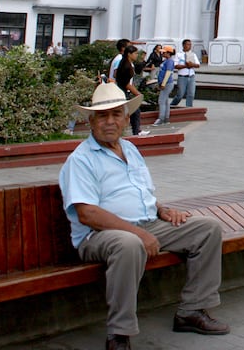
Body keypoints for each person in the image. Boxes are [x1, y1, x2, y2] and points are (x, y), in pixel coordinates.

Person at [59, 83, 228, 349]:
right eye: (103, 116)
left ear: (126, 119)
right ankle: (119, 333)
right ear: (91, 121)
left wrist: (162, 209)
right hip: (99, 235)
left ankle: (192, 311)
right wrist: (139, 233)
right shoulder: (81, 159)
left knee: (207, 229)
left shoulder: (130, 149)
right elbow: (87, 213)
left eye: (116, 114)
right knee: (130, 244)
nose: (110, 121)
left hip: (146, 224)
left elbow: (139, 192)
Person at [114, 45, 147, 137]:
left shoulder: (128, 64)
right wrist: (137, 93)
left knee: (134, 111)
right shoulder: (126, 66)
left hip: (124, 90)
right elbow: (127, 83)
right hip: (123, 92)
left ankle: (136, 130)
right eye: (135, 53)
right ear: (129, 54)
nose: (137, 55)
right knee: (132, 110)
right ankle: (135, 131)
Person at [172, 39, 200, 108]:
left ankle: (189, 107)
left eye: (190, 45)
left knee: (191, 94)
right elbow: (176, 66)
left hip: (191, 76)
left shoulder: (193, 54)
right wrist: (185, 66)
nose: (189, 46)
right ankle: (172, 105)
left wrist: (192, 64)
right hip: (182, 76)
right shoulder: (179, 54)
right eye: (188, 44)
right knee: (180, 94)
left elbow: (198, 65)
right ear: (183, 45)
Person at [152, 46, 176, 126]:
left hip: (167, 83)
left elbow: (168, 72)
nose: (162, 53)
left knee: (161, 101)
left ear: (168, 53)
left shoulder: (169, 61)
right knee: (165, 101)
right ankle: (166, 118)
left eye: (164, 52)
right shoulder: (166, 61)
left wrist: (163, 83)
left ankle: (161, 118)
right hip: (166, 83)